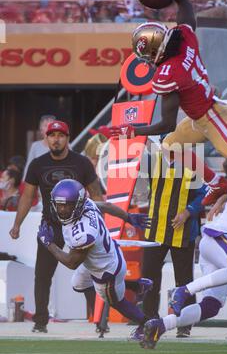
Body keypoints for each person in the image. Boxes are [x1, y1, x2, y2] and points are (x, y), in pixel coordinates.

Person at [103, 0, 227, 201]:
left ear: (152, 53)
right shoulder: (184, 37)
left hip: (214, 117)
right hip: (199, 117)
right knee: (171, 146)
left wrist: (133, 131)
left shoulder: (168, 74)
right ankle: (217, 183)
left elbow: (167, 123)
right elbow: (184, 2)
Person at [140, 148, 227, 349]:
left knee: (211, 307)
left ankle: (160, 325)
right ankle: (183, 290)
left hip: (225, 249)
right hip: (221, 235)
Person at [9, 121, 105, 333]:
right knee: (42, 275)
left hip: (80, 226)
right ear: (46, 139)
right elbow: (27, 196)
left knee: (92, 272)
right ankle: (40, 321)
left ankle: (99, 319)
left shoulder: (81, 163)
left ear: (67, 138)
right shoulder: (37, 164)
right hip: (50, 227)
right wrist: (17, 225)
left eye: (60, 135)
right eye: (51, 135)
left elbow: (96, 194)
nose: (56, 139)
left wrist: (100, 224)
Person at [37, 179, 152, 338]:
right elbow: (106, 206)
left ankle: (147, 324)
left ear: (77, 204)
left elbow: (71, 262)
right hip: (95, 258)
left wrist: (48, 244)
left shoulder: (85, 233)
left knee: (115, 302)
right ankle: (137, 285)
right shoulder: (86, 204)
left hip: (105, 268)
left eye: (66, 205)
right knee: (77, 284)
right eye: (58, 204)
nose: (61, 209)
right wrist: (128, 217)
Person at [142, 140, 207, 338]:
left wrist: (188, 211)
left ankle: (185, 323)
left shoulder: (193, 163)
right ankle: (149, 319)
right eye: (165, 142)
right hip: (155, 227)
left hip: (183, 229)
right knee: (149, 277)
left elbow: (204, 194)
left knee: (184, 280)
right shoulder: (152, 161)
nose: (168, 145)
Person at [23, 115, 56, 179]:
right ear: (41, 130)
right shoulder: (35, 146)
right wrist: (24, 182)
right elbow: (29, 166)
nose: (49, 128)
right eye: (46, 125)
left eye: (51, 125)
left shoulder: (65, 145)